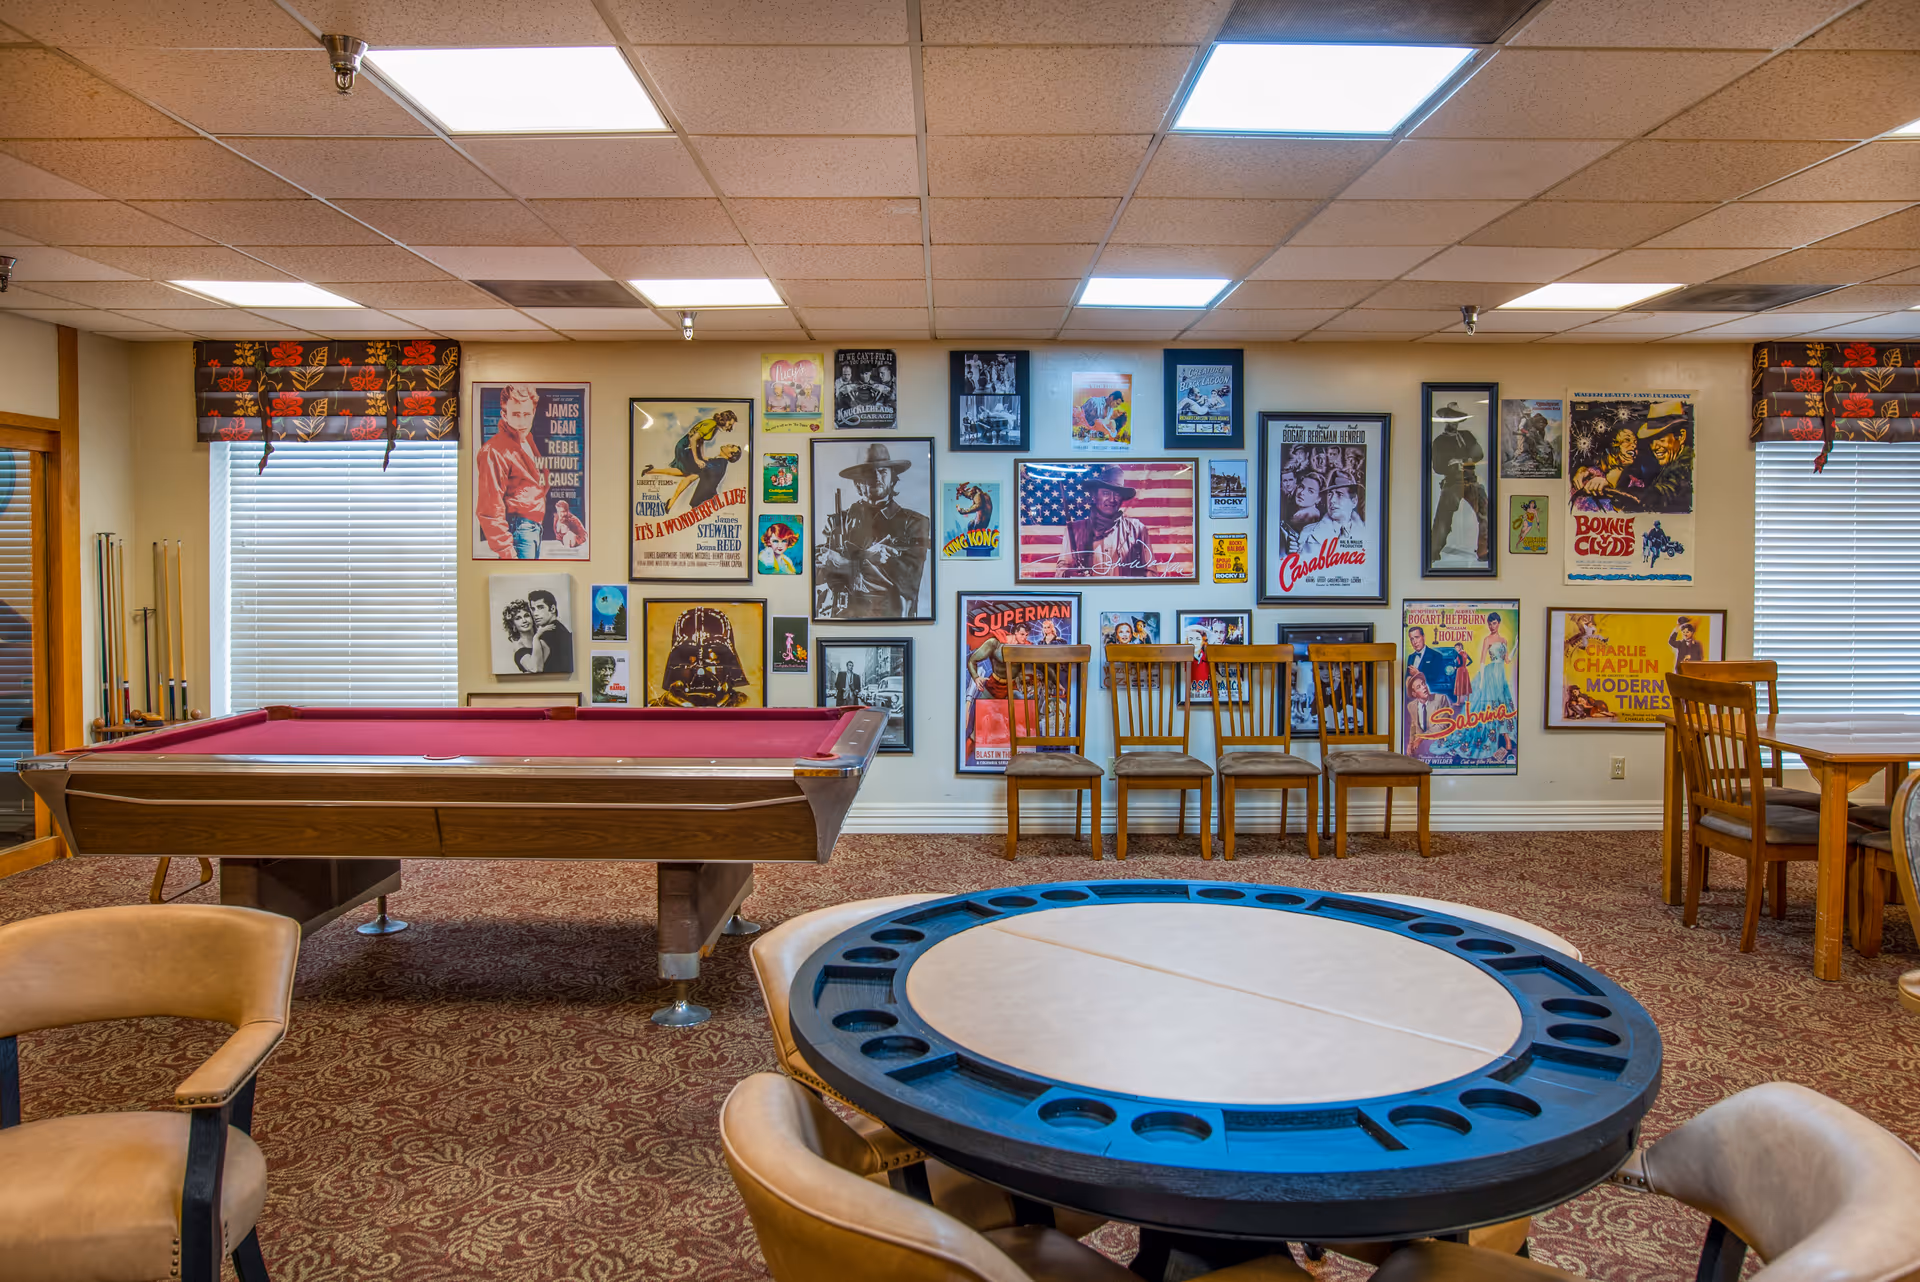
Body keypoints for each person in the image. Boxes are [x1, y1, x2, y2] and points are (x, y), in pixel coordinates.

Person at [814, 443, 932, 619]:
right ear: (858, 481)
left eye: (883, 471)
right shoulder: (836, 522)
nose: (876, 477)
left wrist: (845, 563)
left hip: (893, 620)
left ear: (893, 477)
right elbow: (818, 574)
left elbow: (906, 581)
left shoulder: (915, 523)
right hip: (842, 620)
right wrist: (867, 557)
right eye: (869, 472)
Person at [474, 383, 549, 559]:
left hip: (533, 530)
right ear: (504, 415)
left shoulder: (527, 441)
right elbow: (489, 507)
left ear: (533, 413)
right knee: (523, 584)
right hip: (519, 532)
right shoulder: (494, 450)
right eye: (515, 414)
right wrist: (508, 553)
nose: (522, 422)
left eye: (526, 414)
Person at [641, 408, 739, 514]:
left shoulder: (714, 426)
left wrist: (702, 456)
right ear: (725, 419)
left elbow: (701, 441)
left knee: (687, 473)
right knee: (694, 472)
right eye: (730, 424)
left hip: (690, 447)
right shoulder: (711, 424)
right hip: (685, 447)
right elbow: (693, 439)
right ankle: (671, 501)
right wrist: (697, 459)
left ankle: (651, 471)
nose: (730, 427)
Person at [1062, 465, 1155, 577]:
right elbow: (1060, 572)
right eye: (1106, 493)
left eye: (1116, 494)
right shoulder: (1074, 530)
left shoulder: (1137, 530)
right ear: (1094, 495)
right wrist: (1070, 574)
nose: (1112, 499)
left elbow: (1151, 574)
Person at [1429, 411, 1488, 562]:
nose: (1454, 424)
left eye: (1456, 420)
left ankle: (1484, 550)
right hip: (1452, 481)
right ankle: (1432, 552)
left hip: (1471, 479)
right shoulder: (1439, 442)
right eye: (1450, 420)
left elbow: (1479, 454)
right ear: (1444, 421)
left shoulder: (1466, 435)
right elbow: (1438, 467)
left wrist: (1460, 460)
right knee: (1443, 520)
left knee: (1486, 513)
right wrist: (1454, 464)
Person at [1460, 613, 1515, 759]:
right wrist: (1483, 681)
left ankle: (1507, 741)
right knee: (1492, 707)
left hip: (1501, 676)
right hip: (1490, 676)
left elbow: (1508, 660)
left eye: (1494, 623)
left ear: (1499, 623)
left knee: (1503, 707)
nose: (1492, 626)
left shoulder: (1504, 640)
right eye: (1490, 623)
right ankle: (1497, 742)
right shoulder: (1487, 639)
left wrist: (1516, 644)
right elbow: (1483, 661)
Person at [1296, 470, 1363, 560]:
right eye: (1330, 494)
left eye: (1339, 494)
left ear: (1354, 501)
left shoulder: (1365, 533)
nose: (1332, 500)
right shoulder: (1308, 533)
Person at [1406, 626, 1461, 711]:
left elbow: (1435, 676)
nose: (1414, 642)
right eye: (1412, 639)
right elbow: (1407, 677)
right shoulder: (1411, 657)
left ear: (1423, 637)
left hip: (1432, 698)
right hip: (1415, 700)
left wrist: (1418, 673)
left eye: (1417, 637)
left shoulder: (1436, 655)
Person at [527, 589, 572, 674]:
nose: (535, 613)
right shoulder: (562, 630)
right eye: (533, 609)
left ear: (552, 608)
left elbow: (535, 670)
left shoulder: (547, 634)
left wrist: (535, 638)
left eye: (540, 607)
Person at [500, 599, 537, 673]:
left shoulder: (544, 635)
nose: (524, 620)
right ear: (513, 625)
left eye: (526, 616)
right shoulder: (519, 647)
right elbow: (534, 668)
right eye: (518, 618)